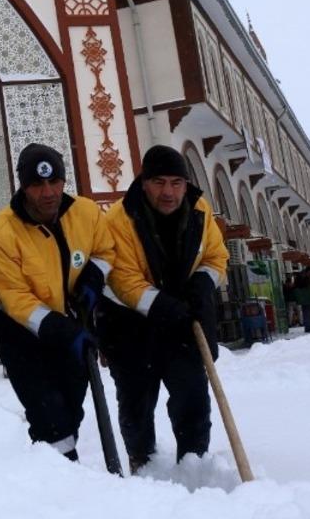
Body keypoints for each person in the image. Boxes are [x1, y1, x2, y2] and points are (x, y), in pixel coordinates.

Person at [99, 145, 228, 473]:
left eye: (176, 182)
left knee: (193, 394)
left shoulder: (199, 210)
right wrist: (161, 305)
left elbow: (216, 257)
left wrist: (203, 282)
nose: (168, 192)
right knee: (137, 401)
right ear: (143, 182)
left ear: (186, 184)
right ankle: (143, 464)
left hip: (183, 322)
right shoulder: (119, 219)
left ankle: (195, 464)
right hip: (129, 325)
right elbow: (121, 278)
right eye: (158, 182)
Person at [0, 143, 115, 461]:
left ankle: (55, 475)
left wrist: (93, 278)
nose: (48, 192)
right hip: (22, 336)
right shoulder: (3, 232)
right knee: (50, 418)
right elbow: (14, 297)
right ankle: (62, 487)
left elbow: (106, 249)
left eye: (54, 181)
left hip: (73, 322)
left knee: (71, 410)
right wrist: (63, 330)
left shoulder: (85, 213)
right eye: (37, 184)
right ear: (24, 187)